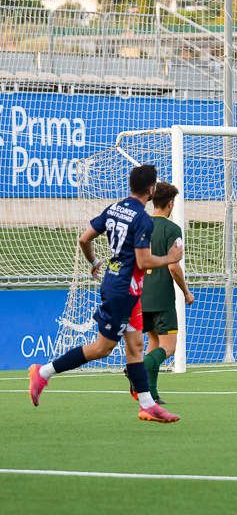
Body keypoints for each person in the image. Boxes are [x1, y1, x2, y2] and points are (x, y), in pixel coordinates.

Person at [28, 164, 184, 423]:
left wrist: (94, 263)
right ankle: (43, 373)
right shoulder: (142, 219)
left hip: (125, 287)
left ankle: (147, 405)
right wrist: (170, 257)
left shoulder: (114, 208)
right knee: (102, 348)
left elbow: (84, 239)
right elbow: (143, 262)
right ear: (150, 188)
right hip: (121, 289)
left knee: (135, 346)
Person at [130, 182, 194, 405]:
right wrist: (186, 292)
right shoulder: (172, 229)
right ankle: (135, 368)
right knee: (169, 347)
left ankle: (151, 394)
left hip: (140, 294)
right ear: (170, 203)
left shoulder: (140, 224)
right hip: (162, 296)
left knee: (153, 343)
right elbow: (173, 266)